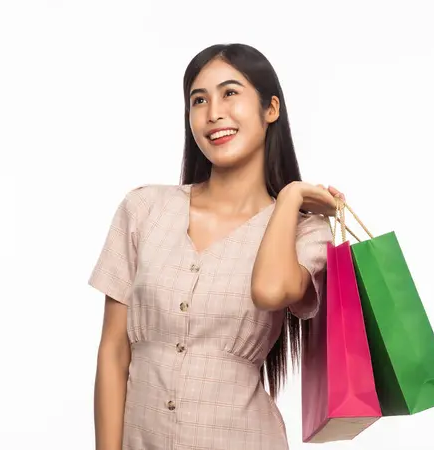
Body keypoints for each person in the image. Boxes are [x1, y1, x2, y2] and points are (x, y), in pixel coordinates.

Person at [89, 43, 345, 450]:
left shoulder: (305, 233)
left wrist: (290, 197)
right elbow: (114, 351)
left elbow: (270, 290)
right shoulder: (143, 209)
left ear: (271, 109)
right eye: (198, 100)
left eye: (230, 93)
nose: (213, 113)